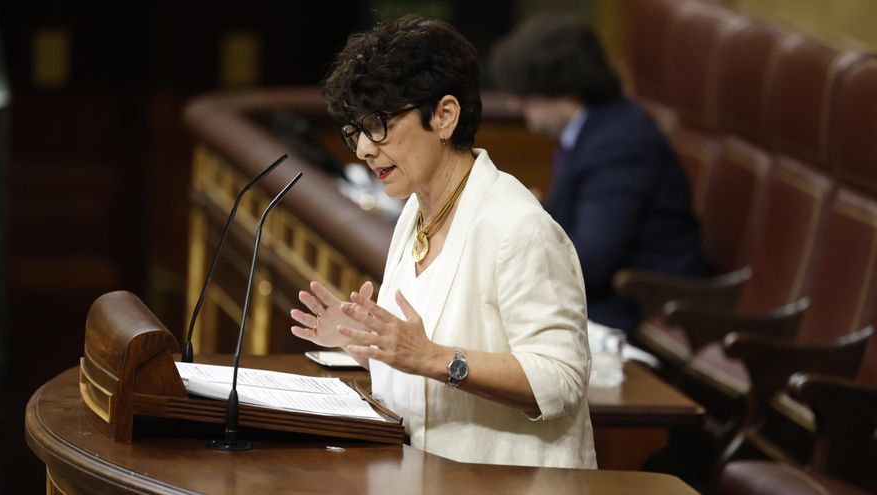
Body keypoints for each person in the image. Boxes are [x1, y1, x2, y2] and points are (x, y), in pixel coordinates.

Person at [289, 15, 596, 469]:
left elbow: (562, 379)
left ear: (444, 116)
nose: (363, 150)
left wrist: (432, 357)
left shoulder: (517, 227)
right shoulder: (416, 211)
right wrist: (369, 343)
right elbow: (419, 364)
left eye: (379, 124)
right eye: (355, 131)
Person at [491, 14, 711, 335]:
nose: (514, 106)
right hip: (609, 292)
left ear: (565, 91)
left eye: (525, 96)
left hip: (640, 303)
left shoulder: (620, 143)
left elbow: (590, 262)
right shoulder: (592, 130)